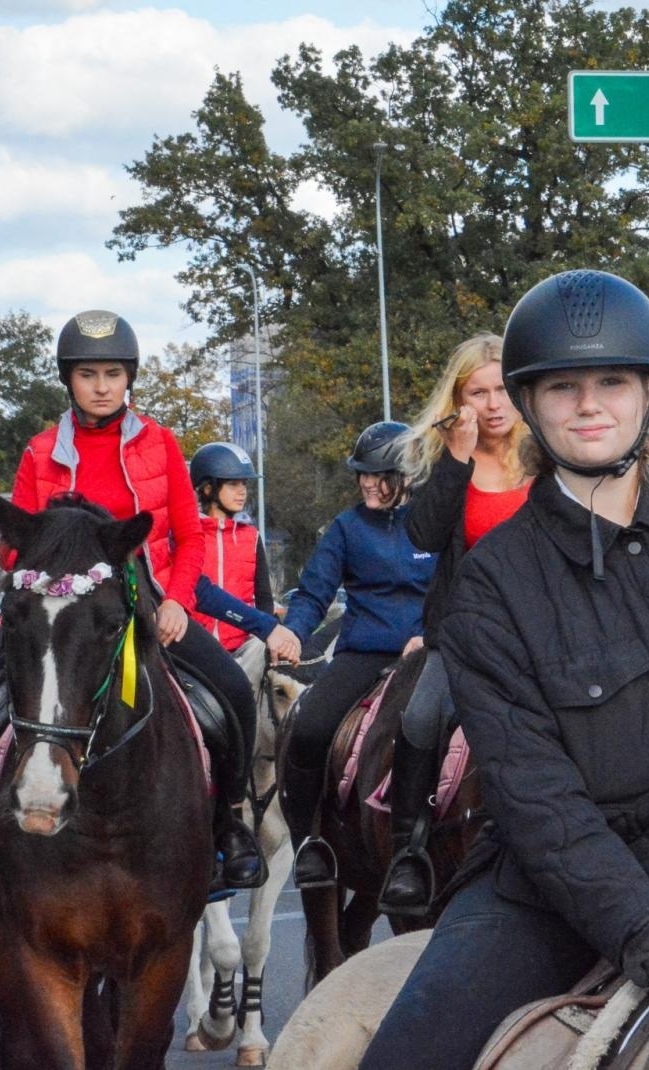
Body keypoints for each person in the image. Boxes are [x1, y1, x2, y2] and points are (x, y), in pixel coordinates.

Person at [358, 269, 649, 1070]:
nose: (589, 405)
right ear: (530, 402)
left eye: (612, 382)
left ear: (648, 393)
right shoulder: (495, 580)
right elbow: (532, 789)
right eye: (563, 387)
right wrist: (629, 913)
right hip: (552, 902)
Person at [0, 310, 266, 896]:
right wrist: (36, 575)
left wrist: (177, 602)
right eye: (87, 374)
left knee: (231, 689)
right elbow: (12, 547)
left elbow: (190, 536)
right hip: (53, 612)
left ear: (128, 378)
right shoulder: (39, 451)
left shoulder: (160, 444)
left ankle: (229, 824)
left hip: (145, 605)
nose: (101, 387)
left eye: (112, 374)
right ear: (68, 380)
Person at [378, 333, 529, 916]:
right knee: (420, 717)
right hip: (464, 633)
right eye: (478, 393)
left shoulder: (546, 453)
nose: (493, 404)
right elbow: (423, 535)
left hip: (541, 631)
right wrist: (458, 460)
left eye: (502, 390)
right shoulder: (444, 460)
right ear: (459, 400)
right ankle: (408, 852)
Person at [279, 421, 438, 889]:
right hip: (364, 655)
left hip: (430, 654)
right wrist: (292, 632)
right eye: (362, 474)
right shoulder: (346, 528)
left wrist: (429, 635)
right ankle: (309, 844)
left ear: (408, 476)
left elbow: (461, 587)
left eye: (379, 475)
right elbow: (314, 592)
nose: (368, 483)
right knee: (308, 728)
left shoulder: (436, 520)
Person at [188, 441, 301, 673]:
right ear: (207, 488)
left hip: (243, 653)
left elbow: (264, 599)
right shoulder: (186, 535)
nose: (242, 491)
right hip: (193, 651)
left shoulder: (252, 537)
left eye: (244, 484)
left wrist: (271, 635)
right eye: (233, 484)